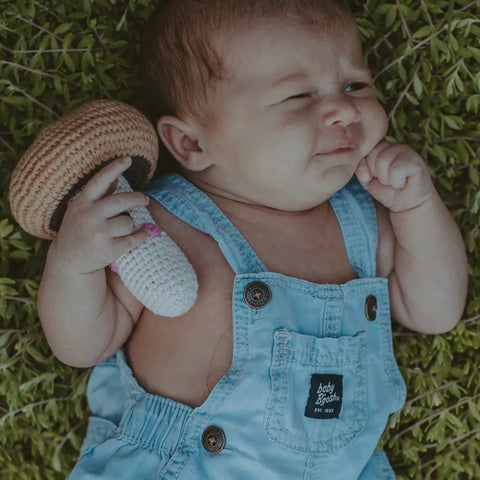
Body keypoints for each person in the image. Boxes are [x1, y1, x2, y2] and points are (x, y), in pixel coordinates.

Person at [37, 0, 468, 478]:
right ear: (191, 143)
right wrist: (74, 263)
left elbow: (436, 312)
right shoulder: (158, 223)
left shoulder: (365, 221)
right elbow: (83, 344)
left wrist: (417, 208)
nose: (344, 109)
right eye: (298, 97)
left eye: (355, 85)